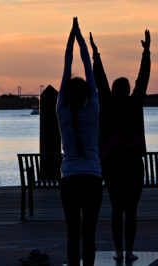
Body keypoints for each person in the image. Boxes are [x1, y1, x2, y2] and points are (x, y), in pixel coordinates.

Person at [90, 30, 151, 262]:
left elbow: (100, 80)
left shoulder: (107, 103)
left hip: (112, 162)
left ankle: (117, 252)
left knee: (116, 209)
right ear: (128, 90)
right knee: (131, 210)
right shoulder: (135, 102)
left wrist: (96, 55)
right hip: (134, 162)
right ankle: (129, 251)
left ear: (114, 90)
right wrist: (146, 52)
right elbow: (143, 78)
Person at [56, 18, 102, 266]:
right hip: (93, 175)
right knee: (90, 234)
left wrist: (70, 40)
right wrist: (80, 38)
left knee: (73, 233)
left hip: (70, 177)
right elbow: (88, 67)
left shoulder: (61, 110)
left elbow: (67, 67)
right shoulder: (93, 109)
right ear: (87, 94)